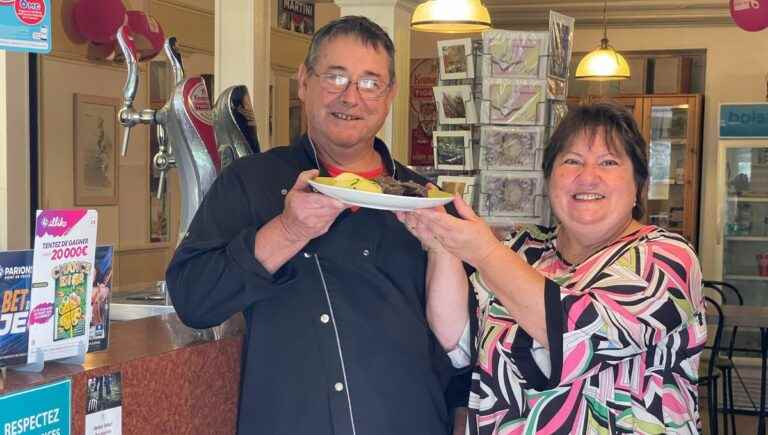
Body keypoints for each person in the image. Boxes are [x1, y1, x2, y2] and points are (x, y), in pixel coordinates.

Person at [166, 16, 458, 435]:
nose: (351, 97)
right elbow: (194, 300)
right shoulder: (252, 182)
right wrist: (287, 231)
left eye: (370, 82)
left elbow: (465, 339)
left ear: (390, 94)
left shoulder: (424, 200)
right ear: (304, 82)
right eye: (335, 77)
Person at [399, 102, 707, 434]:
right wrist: (440, 245)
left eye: (608, 162)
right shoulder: (523, 250)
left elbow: (577, 334)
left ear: (638, 186)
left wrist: (483, 252)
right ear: (549, 178)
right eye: (572, 161)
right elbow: (458, 341)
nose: (587, 177)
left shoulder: (665, 258)